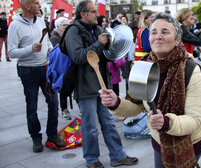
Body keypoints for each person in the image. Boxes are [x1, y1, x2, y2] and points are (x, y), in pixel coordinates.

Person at [100, 12, 201, 168]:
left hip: (191, 141)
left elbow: (194, 118)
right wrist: (115, 103)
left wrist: (166, 122)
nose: (158, 36)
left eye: (165, 32)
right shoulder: (143, 65)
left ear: (178, 39)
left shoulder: (191, 69)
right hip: (159, 139)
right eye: (153, 32)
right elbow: (136, 105)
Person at [64, 1, 138, 167]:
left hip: (103, 83)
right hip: (85, 86)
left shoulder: (98, 29)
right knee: (89, 126)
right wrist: (98, 44)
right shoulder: (73, 31)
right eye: (93, 12)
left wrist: (114, 44)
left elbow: (107, 55)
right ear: (83, 14)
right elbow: (78, 57)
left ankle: (118, 156)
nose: (97, 15)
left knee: (109, 123)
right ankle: (92, 159)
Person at [7, 0, 65, 153]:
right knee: (32, 106)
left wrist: (51, 52)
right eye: (36, 3)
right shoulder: (15, 25)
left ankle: (52, 135)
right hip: (28, 70)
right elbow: (11, 52)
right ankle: (36, 138)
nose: (39, 5)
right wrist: (30, 49)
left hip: (45, 68)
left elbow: (47, 43)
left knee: (53, 102)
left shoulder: (41, 21)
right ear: (27, 6)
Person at [49, 17, 72, 120]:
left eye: (68, 25)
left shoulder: (70, 35)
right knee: (63, 88)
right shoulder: (55, 38)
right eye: (64, 25)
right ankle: (64, 109)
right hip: (61, 68)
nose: (66, 27)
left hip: (70, 65)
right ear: (57, 27)